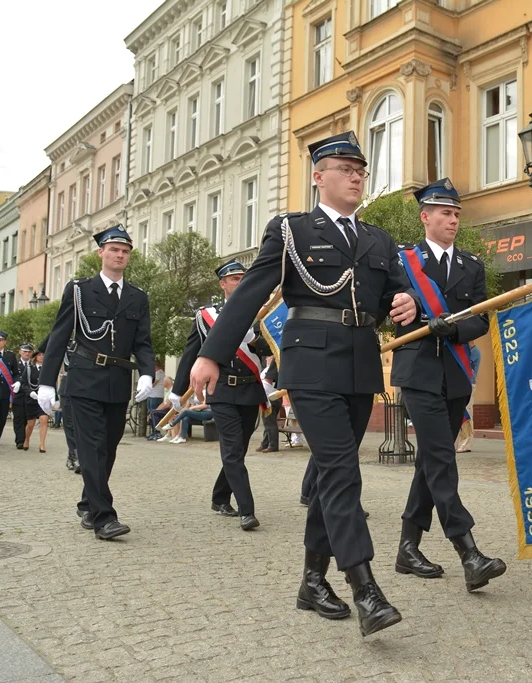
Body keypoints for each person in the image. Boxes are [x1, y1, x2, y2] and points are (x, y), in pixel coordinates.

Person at [189, 131, 418, 637]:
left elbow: (394, 298)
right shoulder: (292, 229)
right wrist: (210, 354)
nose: (356, 175)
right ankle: (365, 588)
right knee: (341, 472)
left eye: (361, 169)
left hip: (359, 366)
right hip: (311, 364)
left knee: (333, 476)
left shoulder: (379, 239)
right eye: (345, 167)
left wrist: (408, 305)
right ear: (319, 176)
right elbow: (249, 294)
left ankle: (311, 582)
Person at [391, 178, 507, 592]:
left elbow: (482, 317)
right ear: (426, 217)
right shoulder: (403, 261)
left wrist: (452, 330)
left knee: (429, 460)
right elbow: (393, 312)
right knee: (442, 457)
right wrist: (417, 320)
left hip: (457, 372)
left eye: (457, 214)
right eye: (445, 213)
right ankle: (468, 551)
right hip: (418, 373)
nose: (453, 220)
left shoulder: (471, 265)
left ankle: (408, 547)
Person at [38, 225, 155, 541]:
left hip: (118, 381)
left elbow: (142, 341)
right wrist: (46, 382)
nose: (120, 255)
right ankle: (104, 518)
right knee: (90, 448)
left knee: (108, 448)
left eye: (125, 251)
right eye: (114, 249)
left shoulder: (137, 297)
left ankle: (88, 503)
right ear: (100, 253)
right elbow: (60, 336)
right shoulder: (79, 290)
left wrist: (147, 372)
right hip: (84, 380)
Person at [172, 259, 266, 530]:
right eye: (234, 278)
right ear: (222, 284)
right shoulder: (206, 316)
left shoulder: (260, 314)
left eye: (242, 278)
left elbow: (269, 350)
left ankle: (220, 496)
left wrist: (254, 340)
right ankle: (247, 511)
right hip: (221, 388)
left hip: (250, 387)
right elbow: (192, 353)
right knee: (233, 449)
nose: (239, 282)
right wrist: (179, 391)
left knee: (241, 448)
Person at [454, 344, 482, 453]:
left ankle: (466, 444)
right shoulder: (461, 350)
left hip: (469, 384)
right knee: (457, 413)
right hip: (459, 385)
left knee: (467, 413)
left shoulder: (474, 352)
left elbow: (471, 371)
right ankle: (456, 442)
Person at [23, 349, 49, 453]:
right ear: (35, 357)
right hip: (31, 399)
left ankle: (42, 444)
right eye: (39, 355)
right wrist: (30, 392)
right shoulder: (29, 368)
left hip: (43, 399)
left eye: (43, 355)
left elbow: (52, 384)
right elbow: (23, 383)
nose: (41, 357)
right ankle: (27, 439)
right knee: (31, 423)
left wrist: (54, 398)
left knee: (44, 419)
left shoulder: (48, 369)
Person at [12, 343, 34, 450]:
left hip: (30, 396)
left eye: (29, 352)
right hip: (18, 395)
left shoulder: (34, 364)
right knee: (19, 419)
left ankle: (26, 439)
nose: (27, 353)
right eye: (25, 351)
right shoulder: (15, 364)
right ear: (20, 352)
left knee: (28, 419)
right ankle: (20, 440)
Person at [259, 356, 282, 453]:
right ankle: (265, 443)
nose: (268, 358)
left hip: (270, 397)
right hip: (270, 396)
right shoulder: (268, 369)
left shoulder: (273, 368)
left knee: (270, 422)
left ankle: (273, 445)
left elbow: (268, 381)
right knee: (267, 422)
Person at [146, 360, 166, 438]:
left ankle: (156, 432)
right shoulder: (155, 373)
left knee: (154, 414)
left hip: (156, 396)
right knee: (149, 414)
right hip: (151, 396)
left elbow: (153, 384)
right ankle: (153, 431)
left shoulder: (159, 373)